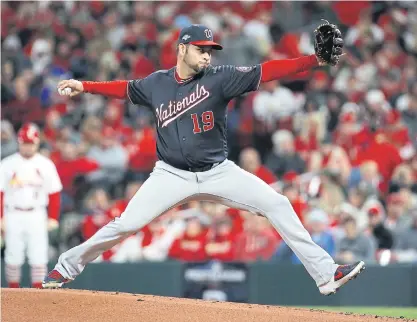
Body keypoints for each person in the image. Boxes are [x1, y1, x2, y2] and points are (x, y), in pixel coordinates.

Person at [43, 24, 364, 296]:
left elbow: (267, 71)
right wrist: (84, 86)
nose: (208, 55)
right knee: (126, 224)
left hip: (217, 172)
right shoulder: (156, 83)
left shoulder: (220, 78)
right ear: (182, 49)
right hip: (171, 175)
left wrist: (312, 60)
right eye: (201, 49)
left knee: (278, 203)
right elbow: (124, 88)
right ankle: (66, 267)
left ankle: (326, 274)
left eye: (210, 50)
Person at [0, 123, 63, 288]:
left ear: (36, 143)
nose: (27, 147)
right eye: (25, 143)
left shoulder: (45, 164)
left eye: (30, 143)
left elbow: (54, 192)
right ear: (19, 142)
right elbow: (0, 193)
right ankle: (13, 294)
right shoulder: (7, 164)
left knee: (38, 255)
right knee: (13, 255)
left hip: (37, 214)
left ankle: (37, 296)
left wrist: (52, 217)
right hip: (13, 213)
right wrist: (0, 217)